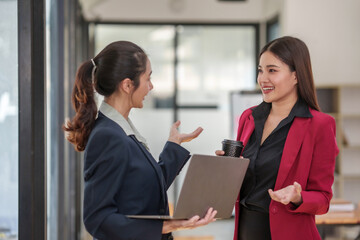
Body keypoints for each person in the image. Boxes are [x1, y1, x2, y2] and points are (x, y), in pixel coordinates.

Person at [63, 41, 217, 240]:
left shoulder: (120, 129)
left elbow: (145, 189)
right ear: (127, 85)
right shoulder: (108, 136)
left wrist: (173, 147)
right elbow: (97, 219)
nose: (151, 86)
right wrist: (165, 226)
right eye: (148, 78)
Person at [216, 36, 338, 240]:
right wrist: (229, 169)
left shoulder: (320, 125)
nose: (263, 79)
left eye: (272, 70)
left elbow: (323, 199)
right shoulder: (249, 117)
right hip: (246, 230)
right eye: (260, 70)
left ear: (296, 76)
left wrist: (298, 196)